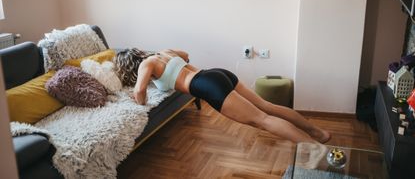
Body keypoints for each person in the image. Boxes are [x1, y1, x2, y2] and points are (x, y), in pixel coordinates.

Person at [114, 48, 331, 144]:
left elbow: (140, 92)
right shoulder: (163, 52)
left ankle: (315, 149)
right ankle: (317, 133)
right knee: (267, 107)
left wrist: (138, 99)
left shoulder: (146, 64)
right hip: (215, 73)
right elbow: (186, 55)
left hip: (207, 86)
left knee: (263, 120)